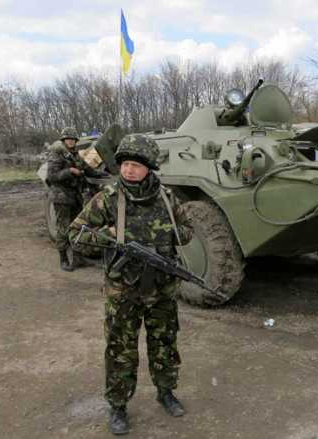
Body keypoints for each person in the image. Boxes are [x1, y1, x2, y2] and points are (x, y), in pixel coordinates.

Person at [68, 134, 193, 435]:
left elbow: (188, 230)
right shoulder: (108, 198)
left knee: (164, 343)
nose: (129, 170)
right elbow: (75, 234)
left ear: (149, 167)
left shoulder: (167, 197)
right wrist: (110, 235)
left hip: (162, 289)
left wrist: (169, 233)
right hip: (123, 291)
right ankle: (118, 406)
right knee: (120, 350)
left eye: (136, 165)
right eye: (125, 164)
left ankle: (166, 392)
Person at [45, 127, 102, 271]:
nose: (70, 141)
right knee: (63, 228)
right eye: (68, 139)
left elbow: (85, 168)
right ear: (63, 140)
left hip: (74, 195)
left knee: (76, 227)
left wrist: (98, 174)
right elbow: (52, 176)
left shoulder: (74, 153)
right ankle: (63, 259)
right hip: (61, 196)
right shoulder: (56, 154)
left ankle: (78, 258)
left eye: (73, 139)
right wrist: (69, 171)